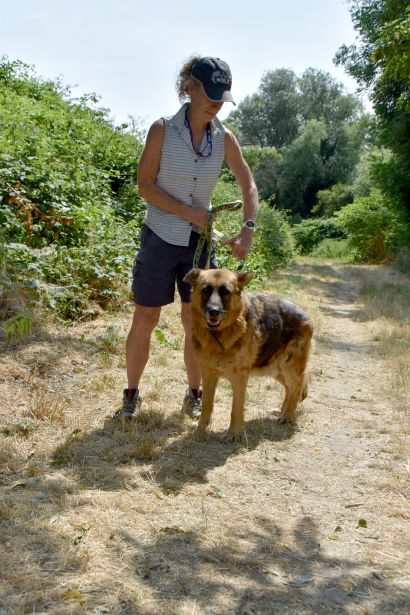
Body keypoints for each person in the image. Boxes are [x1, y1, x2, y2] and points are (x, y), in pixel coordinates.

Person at [115, 55, 259, 420]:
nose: (216, 104)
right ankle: (131, 396)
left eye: (222, 97)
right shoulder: (162, 130)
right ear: (190, 88)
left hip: (200, 245)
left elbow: (248, 185)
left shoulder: (224, 138)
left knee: (196, 322)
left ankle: (194, 394)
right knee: (145, 318)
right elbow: (144, 186)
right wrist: (189, 212)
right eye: (210, 95)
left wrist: (247, 228)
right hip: (159, 238)